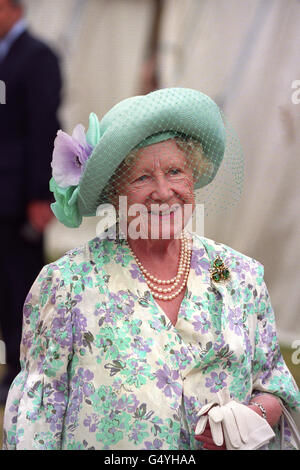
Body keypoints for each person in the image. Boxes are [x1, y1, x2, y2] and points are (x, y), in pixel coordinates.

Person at [3, 88, 300, 450]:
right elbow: (37, 422)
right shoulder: (67, 286)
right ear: (114, 193)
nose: (163, 191)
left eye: (175, 171)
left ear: (193, 178)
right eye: (142, 177)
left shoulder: (239, 276)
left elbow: (274, 386)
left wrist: (250, 416)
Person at [0, 0, 62, 404]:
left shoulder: (39, 57)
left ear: (12, 8)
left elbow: (44, 127)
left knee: (21, 288)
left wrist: (42, 195)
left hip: (21, 196)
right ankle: (10, 367)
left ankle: (27, 373)